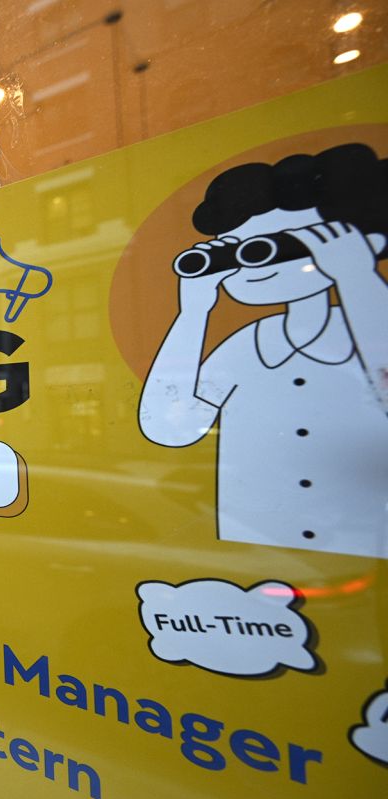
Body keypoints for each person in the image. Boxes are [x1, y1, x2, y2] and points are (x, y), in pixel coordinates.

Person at [139, 143, 388, 559]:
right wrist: (193, 314)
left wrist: (356, 276)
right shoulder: (250, 346)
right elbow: (170, 428)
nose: (250, 264)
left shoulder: (367, 329)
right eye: (233, 248)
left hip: (362, 548)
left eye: (279, 245)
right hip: (257, 552)